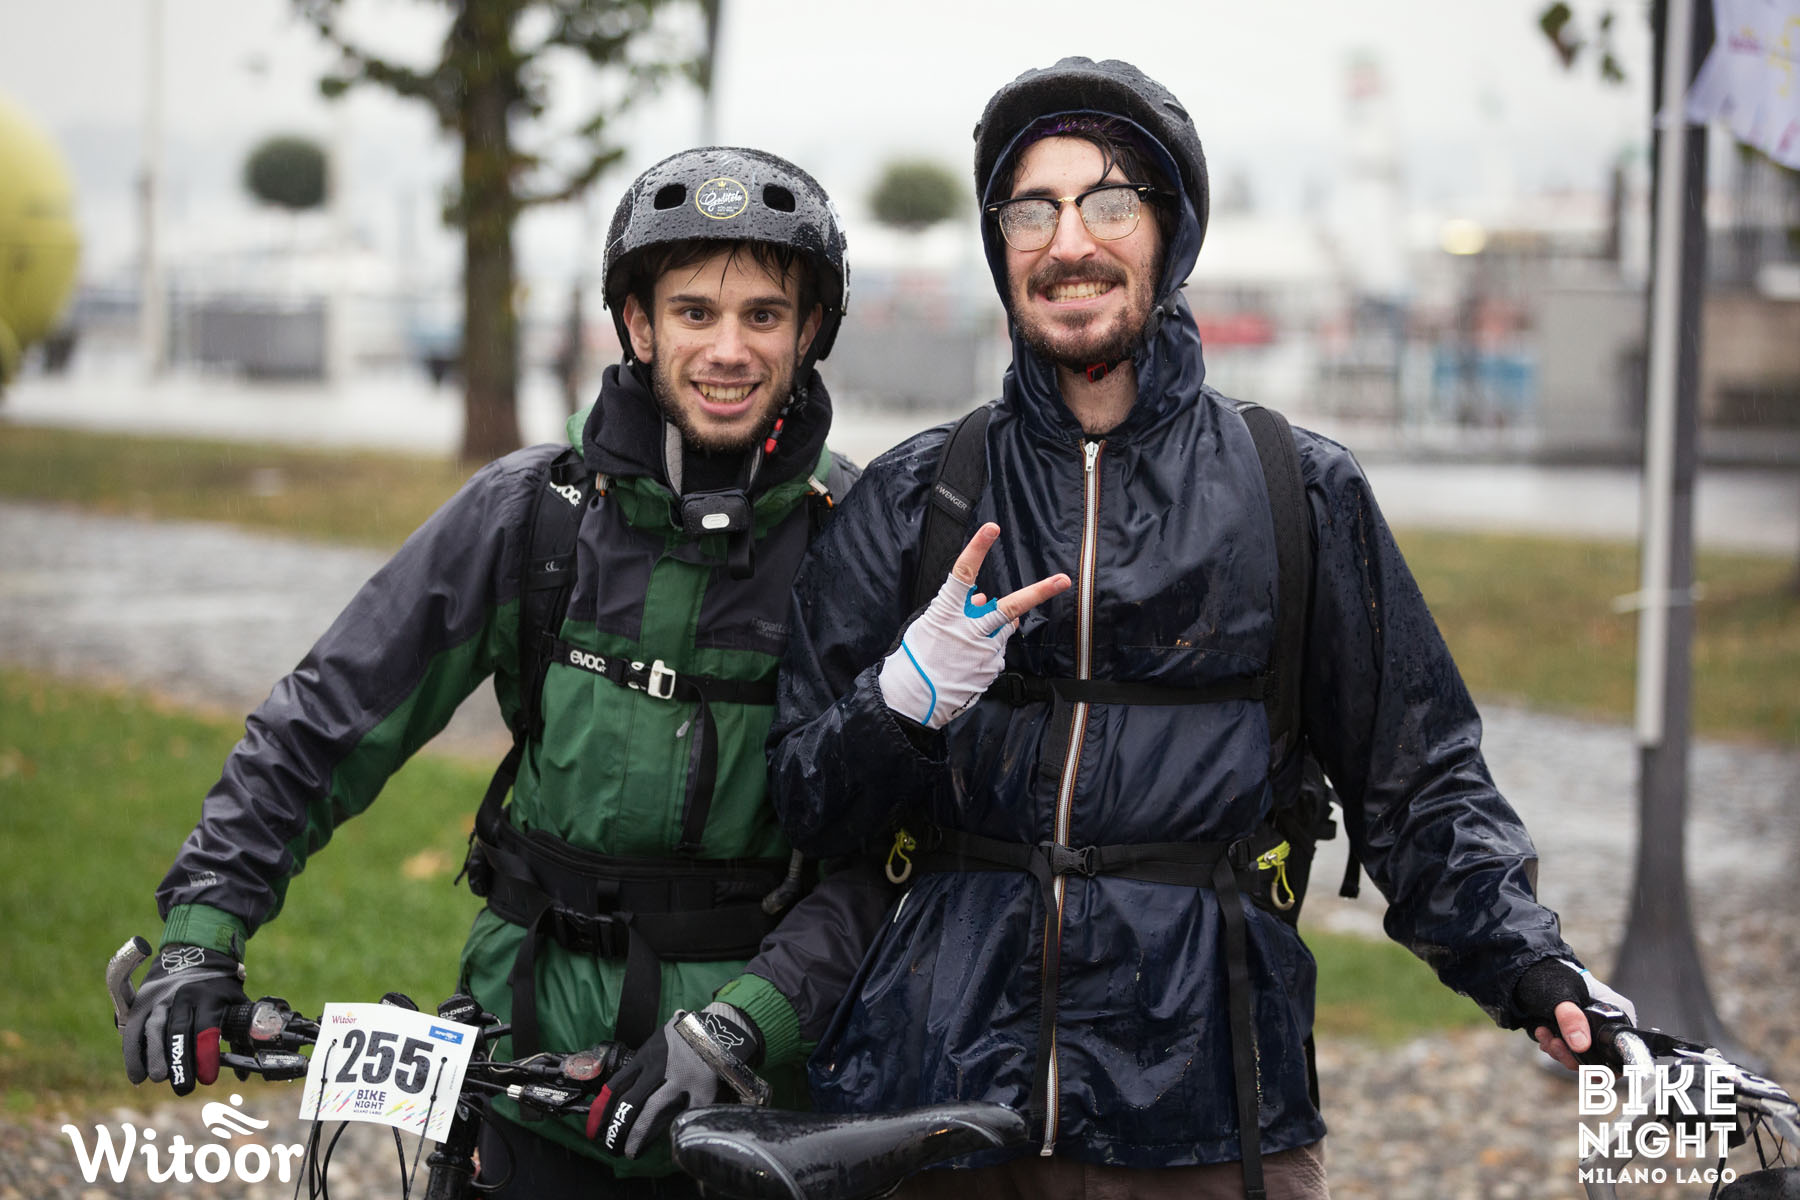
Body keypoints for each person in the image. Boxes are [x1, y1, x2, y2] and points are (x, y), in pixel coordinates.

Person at [769, 58, 1633, 1199]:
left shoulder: (1297, 490)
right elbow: (802, 802)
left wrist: (1527, 962)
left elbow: (1418, 782)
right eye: (1032, 210)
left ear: (1169, 231)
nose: (1068, 242)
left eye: (1108, 202)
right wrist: (902, 705)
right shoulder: (922, 493)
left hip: (1209, 1103)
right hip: (941, 1107)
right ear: (999, 246)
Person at [119, 146, 891, 1198]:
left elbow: (888, 861)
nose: (728, 348)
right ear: (638, 325)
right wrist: (202, 932)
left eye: (764, 314)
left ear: (808, 333)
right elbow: (325, 723)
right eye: (694, 311)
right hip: (518, 1073)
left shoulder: (859, 543)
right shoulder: (532, 513)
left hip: (741, 1106)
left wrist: (745, 1026)